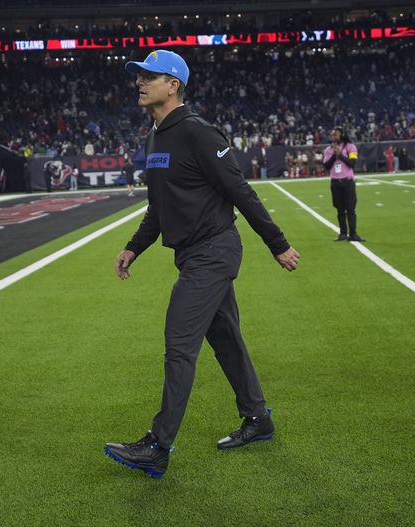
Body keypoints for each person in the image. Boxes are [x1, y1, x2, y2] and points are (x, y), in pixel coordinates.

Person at [104, 49, 300, 479]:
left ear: (173, 85)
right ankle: (258, 418)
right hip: (192, 254)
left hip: (214, 251)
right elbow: (159, 207)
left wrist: (277, 243)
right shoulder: (154, 137)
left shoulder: (197, 131)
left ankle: (158, 446)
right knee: (226, 339)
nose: (139, 82)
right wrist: (133, 247)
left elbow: (240, 190)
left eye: (149, 76)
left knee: (179, 343)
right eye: (139, 76)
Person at [324, 127, 365, 243]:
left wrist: (340, 155)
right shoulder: (328, 150)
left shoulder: (350, 147)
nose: (333, 136)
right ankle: (343, 233)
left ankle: (353, 233)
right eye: (332, 135)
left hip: (347, 181)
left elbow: (352, 163)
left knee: (350, 208)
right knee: (340, 209)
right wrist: (334, 155)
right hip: (335, 182)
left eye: (335, 134)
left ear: (342, 135)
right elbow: (326, 166)